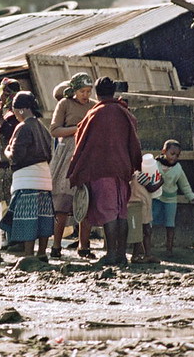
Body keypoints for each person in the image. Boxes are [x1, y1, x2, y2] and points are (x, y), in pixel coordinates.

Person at [67, 77, 142, 266]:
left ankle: (111, 254)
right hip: (122, 169)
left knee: (109, 212)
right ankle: (121, 255)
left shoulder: (96, 114)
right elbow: (134, 140)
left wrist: (75, 169)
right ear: (113, 91)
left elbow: (82, 142)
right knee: (121, 212)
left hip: (101, 169)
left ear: (97, 93)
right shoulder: (124, 112)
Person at [0, 92, 54, 260]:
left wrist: (6, 150)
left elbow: (16, 156)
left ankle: (29, 255)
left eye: (15, 111)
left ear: (21, 110)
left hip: (27, 179)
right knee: (43, 217)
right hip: (44, 177)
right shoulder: (42, 127)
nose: (15, 114)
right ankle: (42, 253)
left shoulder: (23, 127)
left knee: (27, 218)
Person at [49, 73, 97, 259]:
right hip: (67, 153)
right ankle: (56, 246)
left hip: (88, 154)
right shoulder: (65, 104)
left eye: (88, 91)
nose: (85, 94)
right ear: (74, 90)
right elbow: (54, 130)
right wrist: (78, 128)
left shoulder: (94, 106)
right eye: (82, 91)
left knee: (85, 201)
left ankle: (84, 247)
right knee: (62, 202)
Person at [150, 139, 194, 256]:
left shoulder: (177, 168)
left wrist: (191, 196)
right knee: (149, 220)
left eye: (177, 155)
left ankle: (169, 249)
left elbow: (184, 184)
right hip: (156, 197)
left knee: (170, 223)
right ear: (164, 151)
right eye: (172, 154)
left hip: (171, 199)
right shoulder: (155, 164)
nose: (174, 157)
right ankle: (147, 247)